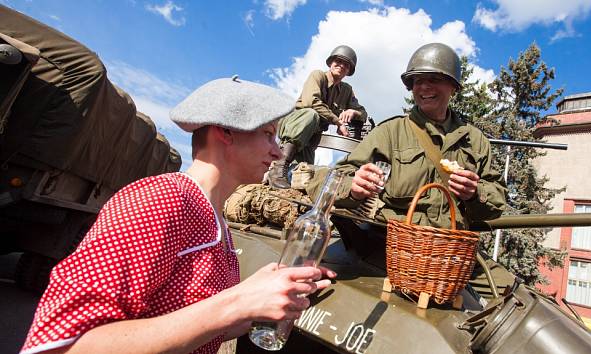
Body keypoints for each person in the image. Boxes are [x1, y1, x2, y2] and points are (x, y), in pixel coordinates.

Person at [20, 77, 336, 354]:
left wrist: (265, 299)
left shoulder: (218, 225)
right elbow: (62, 345)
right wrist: (237, 301)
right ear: (226, 131)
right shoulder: (162, 199)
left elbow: (203, 327)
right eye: (268, 134)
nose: (278, 152)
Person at [307, 43, 506, 230]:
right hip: (393, 242)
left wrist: (474, 193)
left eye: (435, 79)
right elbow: (331, 179)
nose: (424, 87)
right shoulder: (390, 132)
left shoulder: (475, 140)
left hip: (452, 248)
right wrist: (353, 187)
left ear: (453, 87)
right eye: (418, 81)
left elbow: (497, 201)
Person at [268, 45, 369, 189]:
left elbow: (363, 114)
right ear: (331, 62)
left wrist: (354, 112)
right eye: (338, 61)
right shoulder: (318, 76)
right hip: (296, 124)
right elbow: (311, 102)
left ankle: (280, 179)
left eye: (346, 65)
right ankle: (277, 167)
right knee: (312, 114)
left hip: (312, 135)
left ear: (349, 71)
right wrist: (338, 122)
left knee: (302, 175)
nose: (341, 66)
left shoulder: (346, 90)